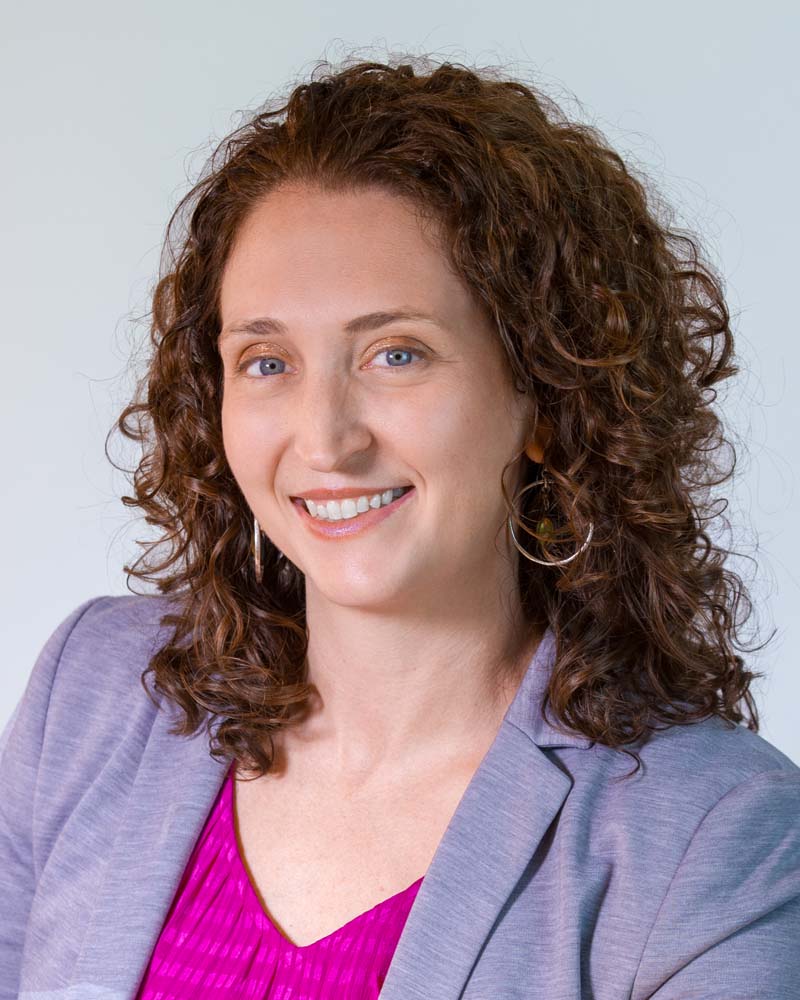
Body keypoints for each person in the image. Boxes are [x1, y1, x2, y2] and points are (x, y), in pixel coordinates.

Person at [2, 54, 798, 1000]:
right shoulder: (96, 694)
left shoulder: (717, 838)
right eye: (266, 361)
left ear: (548, 395)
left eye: (397, 353)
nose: (325, 440)